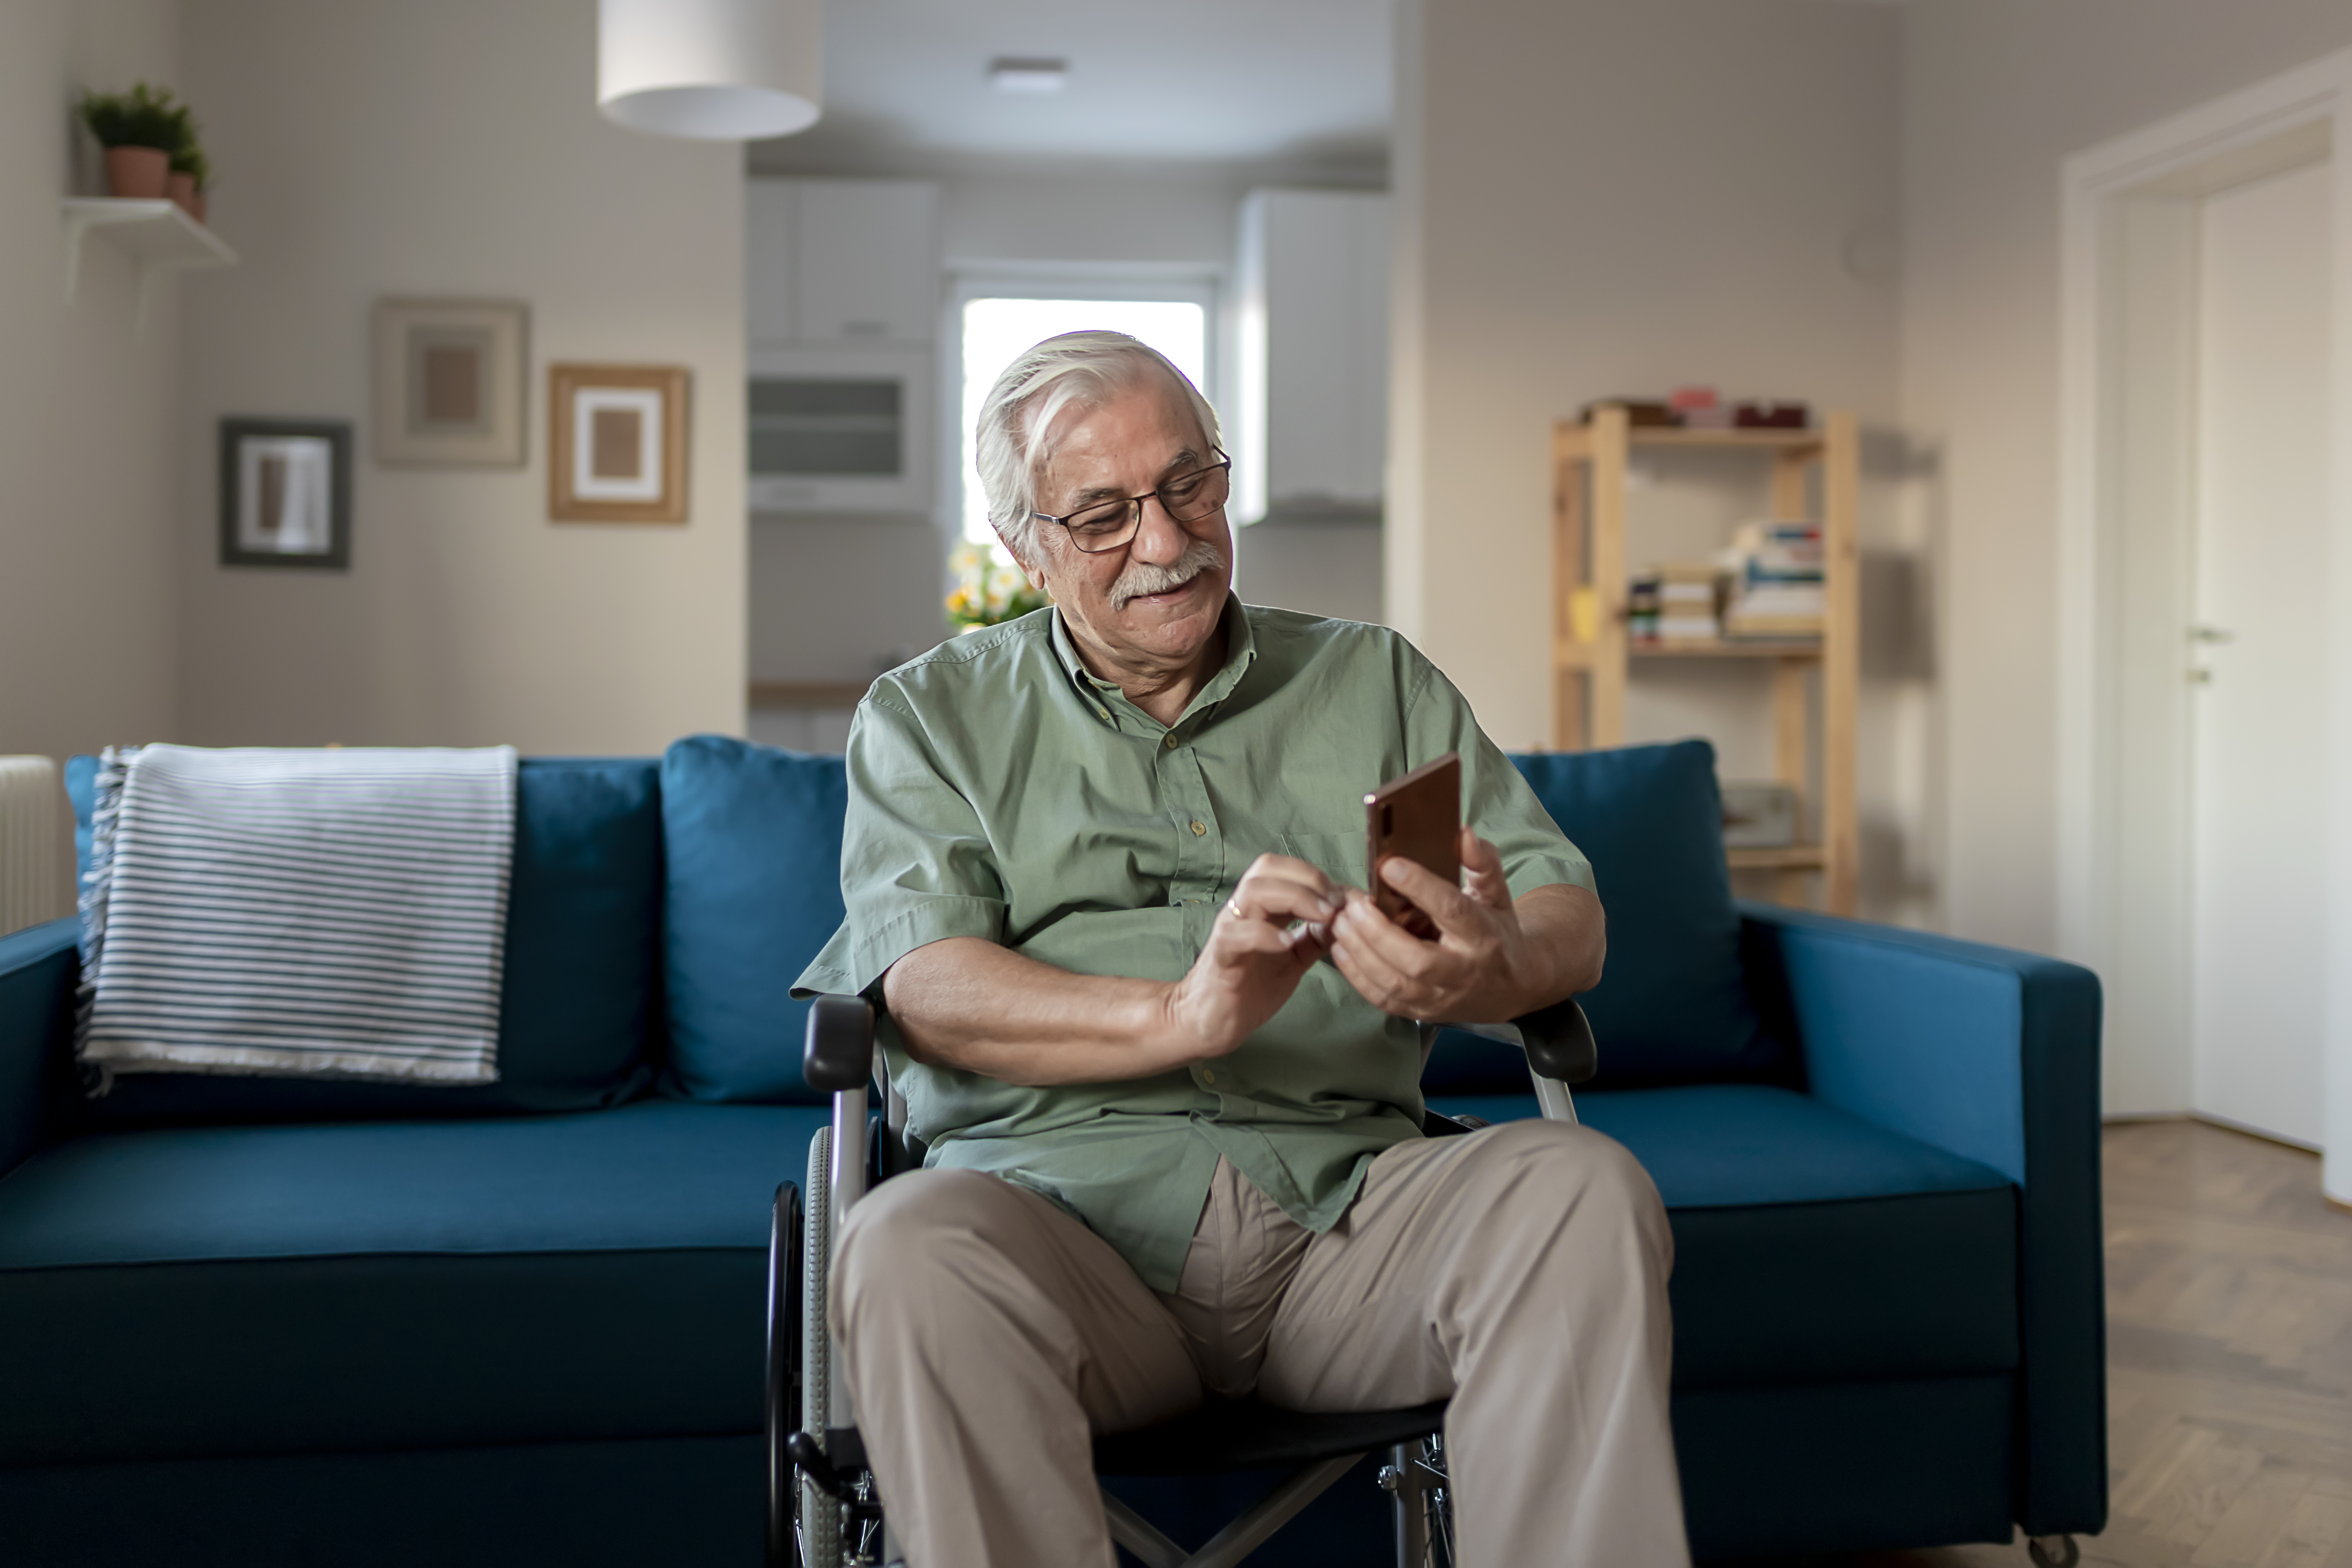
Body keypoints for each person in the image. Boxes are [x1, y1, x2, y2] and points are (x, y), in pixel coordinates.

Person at [793, 331, 1688, 1567]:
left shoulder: (1373, 679)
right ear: (1023, 549)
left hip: (1352, 1226)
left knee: (1584, 1193)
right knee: (903, 1248)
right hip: (1060, 1235)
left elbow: (1563, 915)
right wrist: (1183, 1016)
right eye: (1102, 515)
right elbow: (927, 986)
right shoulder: (929, 716)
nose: (1165, 543)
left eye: (1188, 486)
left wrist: (1482, 967)